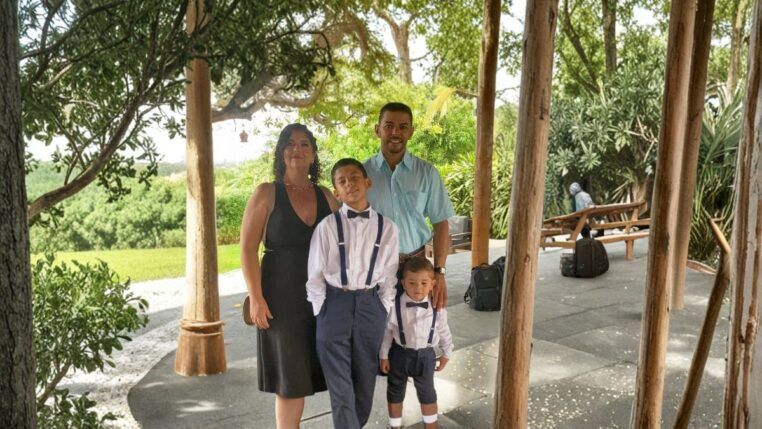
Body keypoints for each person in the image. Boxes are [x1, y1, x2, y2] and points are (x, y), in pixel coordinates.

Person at [240, 123, 339, 429]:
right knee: (290, 379)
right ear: (281, 152)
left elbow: (349, 237)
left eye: (304, 144)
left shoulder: (326, 195)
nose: (297, 149)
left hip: (321, 297)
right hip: (279, 298)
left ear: (313, 154)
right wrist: (256, 298)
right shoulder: (267, 193)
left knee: (325, 370)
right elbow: (247, 250)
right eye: (290, 144)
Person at [306, 158, 399, 429]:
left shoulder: (387, 227)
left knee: (365, 381)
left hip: (371, 305)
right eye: (342, 181)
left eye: (354, 177)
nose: (349, 184)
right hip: (334, 304)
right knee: (340, 387)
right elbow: (314, 276)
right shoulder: (327, 227)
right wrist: (321, 311)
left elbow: (390, 276)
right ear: (336, 192)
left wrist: (382, 307)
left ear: (367, 182)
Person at [364, 102, 455, 309]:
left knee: (420, 327)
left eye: (403, 127)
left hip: (417, 271)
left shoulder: (427, 173)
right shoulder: (361, 174)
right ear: (377, 130)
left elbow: (441, 223)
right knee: (378, 327)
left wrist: (439, 272)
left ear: (411, 132)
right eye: (389, 126)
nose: (395, 132)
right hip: (375, 270)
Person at [379, 256, 453, 429]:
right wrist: (384, 355)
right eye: (412, 283)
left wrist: (446, 353)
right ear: (403, 283)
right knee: (395, 391)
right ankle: (395, 426)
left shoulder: (438, 308)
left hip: (426, 356)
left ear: (432, 284)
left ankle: (431, 425)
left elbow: (444, 331)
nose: (418, 288)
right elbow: (387, 332)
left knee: (427, 393)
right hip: (399, 354)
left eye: (423, 283)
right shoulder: (395, 306)